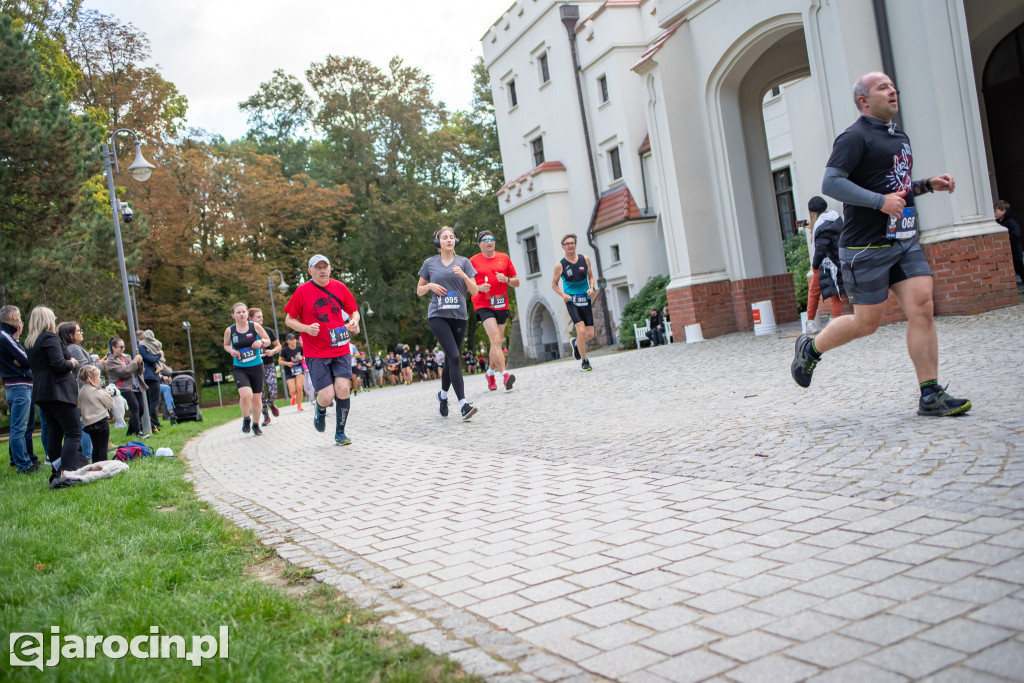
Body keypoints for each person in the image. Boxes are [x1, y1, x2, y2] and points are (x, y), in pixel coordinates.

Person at [792, 71, 970, 417]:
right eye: (882, 87)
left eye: (892, 86)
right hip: (865, 248)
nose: (892, 91)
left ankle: (929, 394)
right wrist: (878, 202)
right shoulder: (853, 137)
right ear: (863, 100)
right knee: (866, 322)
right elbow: (831, 183)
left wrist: (927, 185)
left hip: (902, 239)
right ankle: (811, 348)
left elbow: (894, 187)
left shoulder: (898, 136)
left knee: (922, 305)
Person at [284, 254, 361, 445]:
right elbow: (289, 320)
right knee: (326, 396)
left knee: (343, 388)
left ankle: (340, 433)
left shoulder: (339, 287)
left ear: (330, 268)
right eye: (318, 268)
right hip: (316, 352)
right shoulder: (302, 291)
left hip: (340, 347)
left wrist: (354, 322)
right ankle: (320, 410)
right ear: (310, 271)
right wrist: (306, 328)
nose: (322, 271)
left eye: (325, 267)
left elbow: (354, 311)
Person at [417, 226, 479, 420]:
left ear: (455, 241)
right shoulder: (430, 263)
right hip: (437, 315)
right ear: (438, 243)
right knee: (453, 355)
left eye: (451, 237)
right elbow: (419, 290)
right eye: (444, 238)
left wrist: (463, 275)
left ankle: (443, 396)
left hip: (459, 316)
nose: (449, 240)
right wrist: (429, 285)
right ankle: (463, 404)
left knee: (451, 359)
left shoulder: (464, 262)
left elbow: (475, 291)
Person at [25, 306, 86, 481]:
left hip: (42, 392)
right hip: (58, 391)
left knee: (55, 433)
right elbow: (59, 364)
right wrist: (72, 362)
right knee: (74, 432)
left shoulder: (31, 341)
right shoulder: (49, 338)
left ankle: (57, 470)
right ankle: (66, 473)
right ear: (47, 320)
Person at [470, 230, 520, 390]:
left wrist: (506, 280)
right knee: (496, 338)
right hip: (482, 304)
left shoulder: (504, 258)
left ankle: (490, 373)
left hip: (501, 303)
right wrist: (479, 287)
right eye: (485, 240)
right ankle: (504, 375)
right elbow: (467, 286)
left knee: (496, 342)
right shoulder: (473, 261)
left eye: (492, 239)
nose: (489, 242)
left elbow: (516, 282)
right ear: (480, 245)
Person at [1, 305, 40, 473]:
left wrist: (23, 360)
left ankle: (23, 458)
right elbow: (26, 358)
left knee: (24, 427)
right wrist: (26, 361)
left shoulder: (9, 337)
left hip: (19, 385)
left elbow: (23, 358)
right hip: (19, 386)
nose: (21, 321)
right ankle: (23, 465)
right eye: (19, 318)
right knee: (19, 428)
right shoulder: (4, 336)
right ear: (14, 318)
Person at [223, 302, 270, 436]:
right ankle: (246, 418)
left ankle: (256, 424)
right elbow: (226, 345)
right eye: (238, 312)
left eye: (243, 312)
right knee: (245, 394)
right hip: (240, 367)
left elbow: (267, 340)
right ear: (233, 315)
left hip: (256, 366)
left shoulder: (255, 326)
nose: (241, 314)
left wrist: (261, 342)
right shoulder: (230, 330)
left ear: (247, 313)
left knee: (256, 398)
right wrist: (231, 351)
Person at [552, 233, 596, 371]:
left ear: (575, 245)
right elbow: (554, 284)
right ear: (563, 247)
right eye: (567, 244)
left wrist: (592, 288)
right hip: (571, 300)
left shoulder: (585, 259)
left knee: (589, 335)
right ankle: (584, 360)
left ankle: (576, 343)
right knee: (581, 330)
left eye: (572, 243)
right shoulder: (560, 265)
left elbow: (591, 277)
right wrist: (563, 295)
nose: (570, 245)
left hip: (585, 298)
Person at [805, 196, 846, 333]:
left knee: (813, 292)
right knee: (836, 293)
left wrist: (815, 265)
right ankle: (836, 320)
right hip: (837, 260)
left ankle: (810, 322)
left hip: (825, 263)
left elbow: (821, 247)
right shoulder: (835, 219)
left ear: (813, 212)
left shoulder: (821, 227)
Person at [59, 321, 99, 460]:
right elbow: (85, 371)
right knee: (85, 422)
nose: (81, 332)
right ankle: (87, 456)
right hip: (84, 390)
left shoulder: (70, 348)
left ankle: (84, 454)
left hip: (79, 391)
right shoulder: (74, 348)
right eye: (78, 330)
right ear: (70, 335)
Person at [104, 337, 147, 437]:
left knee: (141, 410)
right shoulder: (110, 361)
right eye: (121, 347)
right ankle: (139, 432)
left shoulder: (126, 357)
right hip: (122, 387)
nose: (123, 349)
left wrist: (140, 363)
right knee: (135, 408)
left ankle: (130, 432)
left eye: (124, 347)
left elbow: (139, 371)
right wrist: (135, 362)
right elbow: (124, 371)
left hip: (135, 385)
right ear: (113, 347)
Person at [248, 308, 282, 426]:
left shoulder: (268, 330)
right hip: (255, 365)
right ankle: (266, 416)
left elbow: (278, 346)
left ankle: (271, 403)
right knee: (260, 392)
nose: (261, 318)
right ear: (251, 319)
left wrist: (272, 351)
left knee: (273, 390)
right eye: (258, 317)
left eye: (261, 316)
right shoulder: (247, 333)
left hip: (268, 364)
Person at [77, 365, 113, 462]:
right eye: (98, 377)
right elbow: (110, 404)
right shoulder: (98, 392)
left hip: (89, 424)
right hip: (101, 421)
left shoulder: (81, 392)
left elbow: (79, 405)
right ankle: (103, 466)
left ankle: (95, 464)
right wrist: (106, 393)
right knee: (103, 447)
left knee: (95, 446)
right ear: (93, 379)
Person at [136, 328, 163, 434]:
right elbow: (151, 359)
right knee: (153, 401)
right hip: (150, 376)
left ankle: (152, 422)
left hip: (149, 376)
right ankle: (154, 422)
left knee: (152, 401)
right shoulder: (142, 347)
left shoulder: (145, 346)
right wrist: (159, 355)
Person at [994, 200, 1024, 288]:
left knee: (1020, 269)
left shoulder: (1010, 222)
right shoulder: (998, 223)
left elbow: (1016, 234)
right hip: (1008, 251)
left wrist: (1004, 239)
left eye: (996, 211)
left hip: (1014, 250)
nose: (994, 213)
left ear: (1003, 211)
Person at [279, 333, 305, 410]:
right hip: (289, 371)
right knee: (293, 390)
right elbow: (280, 361)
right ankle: (293, 396)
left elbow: (307, 357)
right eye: (291, 340)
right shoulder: (285, 350)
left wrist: (302, 358)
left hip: (299, 369)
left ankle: (299, 405)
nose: (293, 341)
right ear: (287, 341)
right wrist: (287, 363)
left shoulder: (300, 348)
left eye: (294, 339)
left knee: (299, 388)